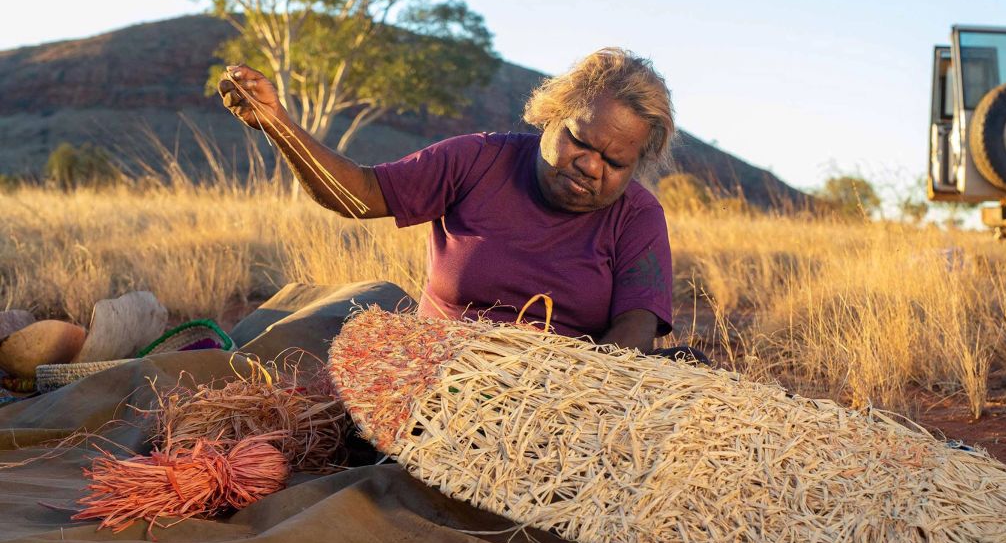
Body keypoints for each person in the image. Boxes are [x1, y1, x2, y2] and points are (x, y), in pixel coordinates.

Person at [218, 48, 681, 355]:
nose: (591, 166)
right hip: (436, 374)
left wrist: (574, 392)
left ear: (635, 164)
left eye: (614, 162)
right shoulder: (476, 159)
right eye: (580, 142)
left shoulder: (637, 217)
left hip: (563, 396)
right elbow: (357, 195)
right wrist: (277, 124)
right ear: (551, 117)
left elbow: (636, 326)